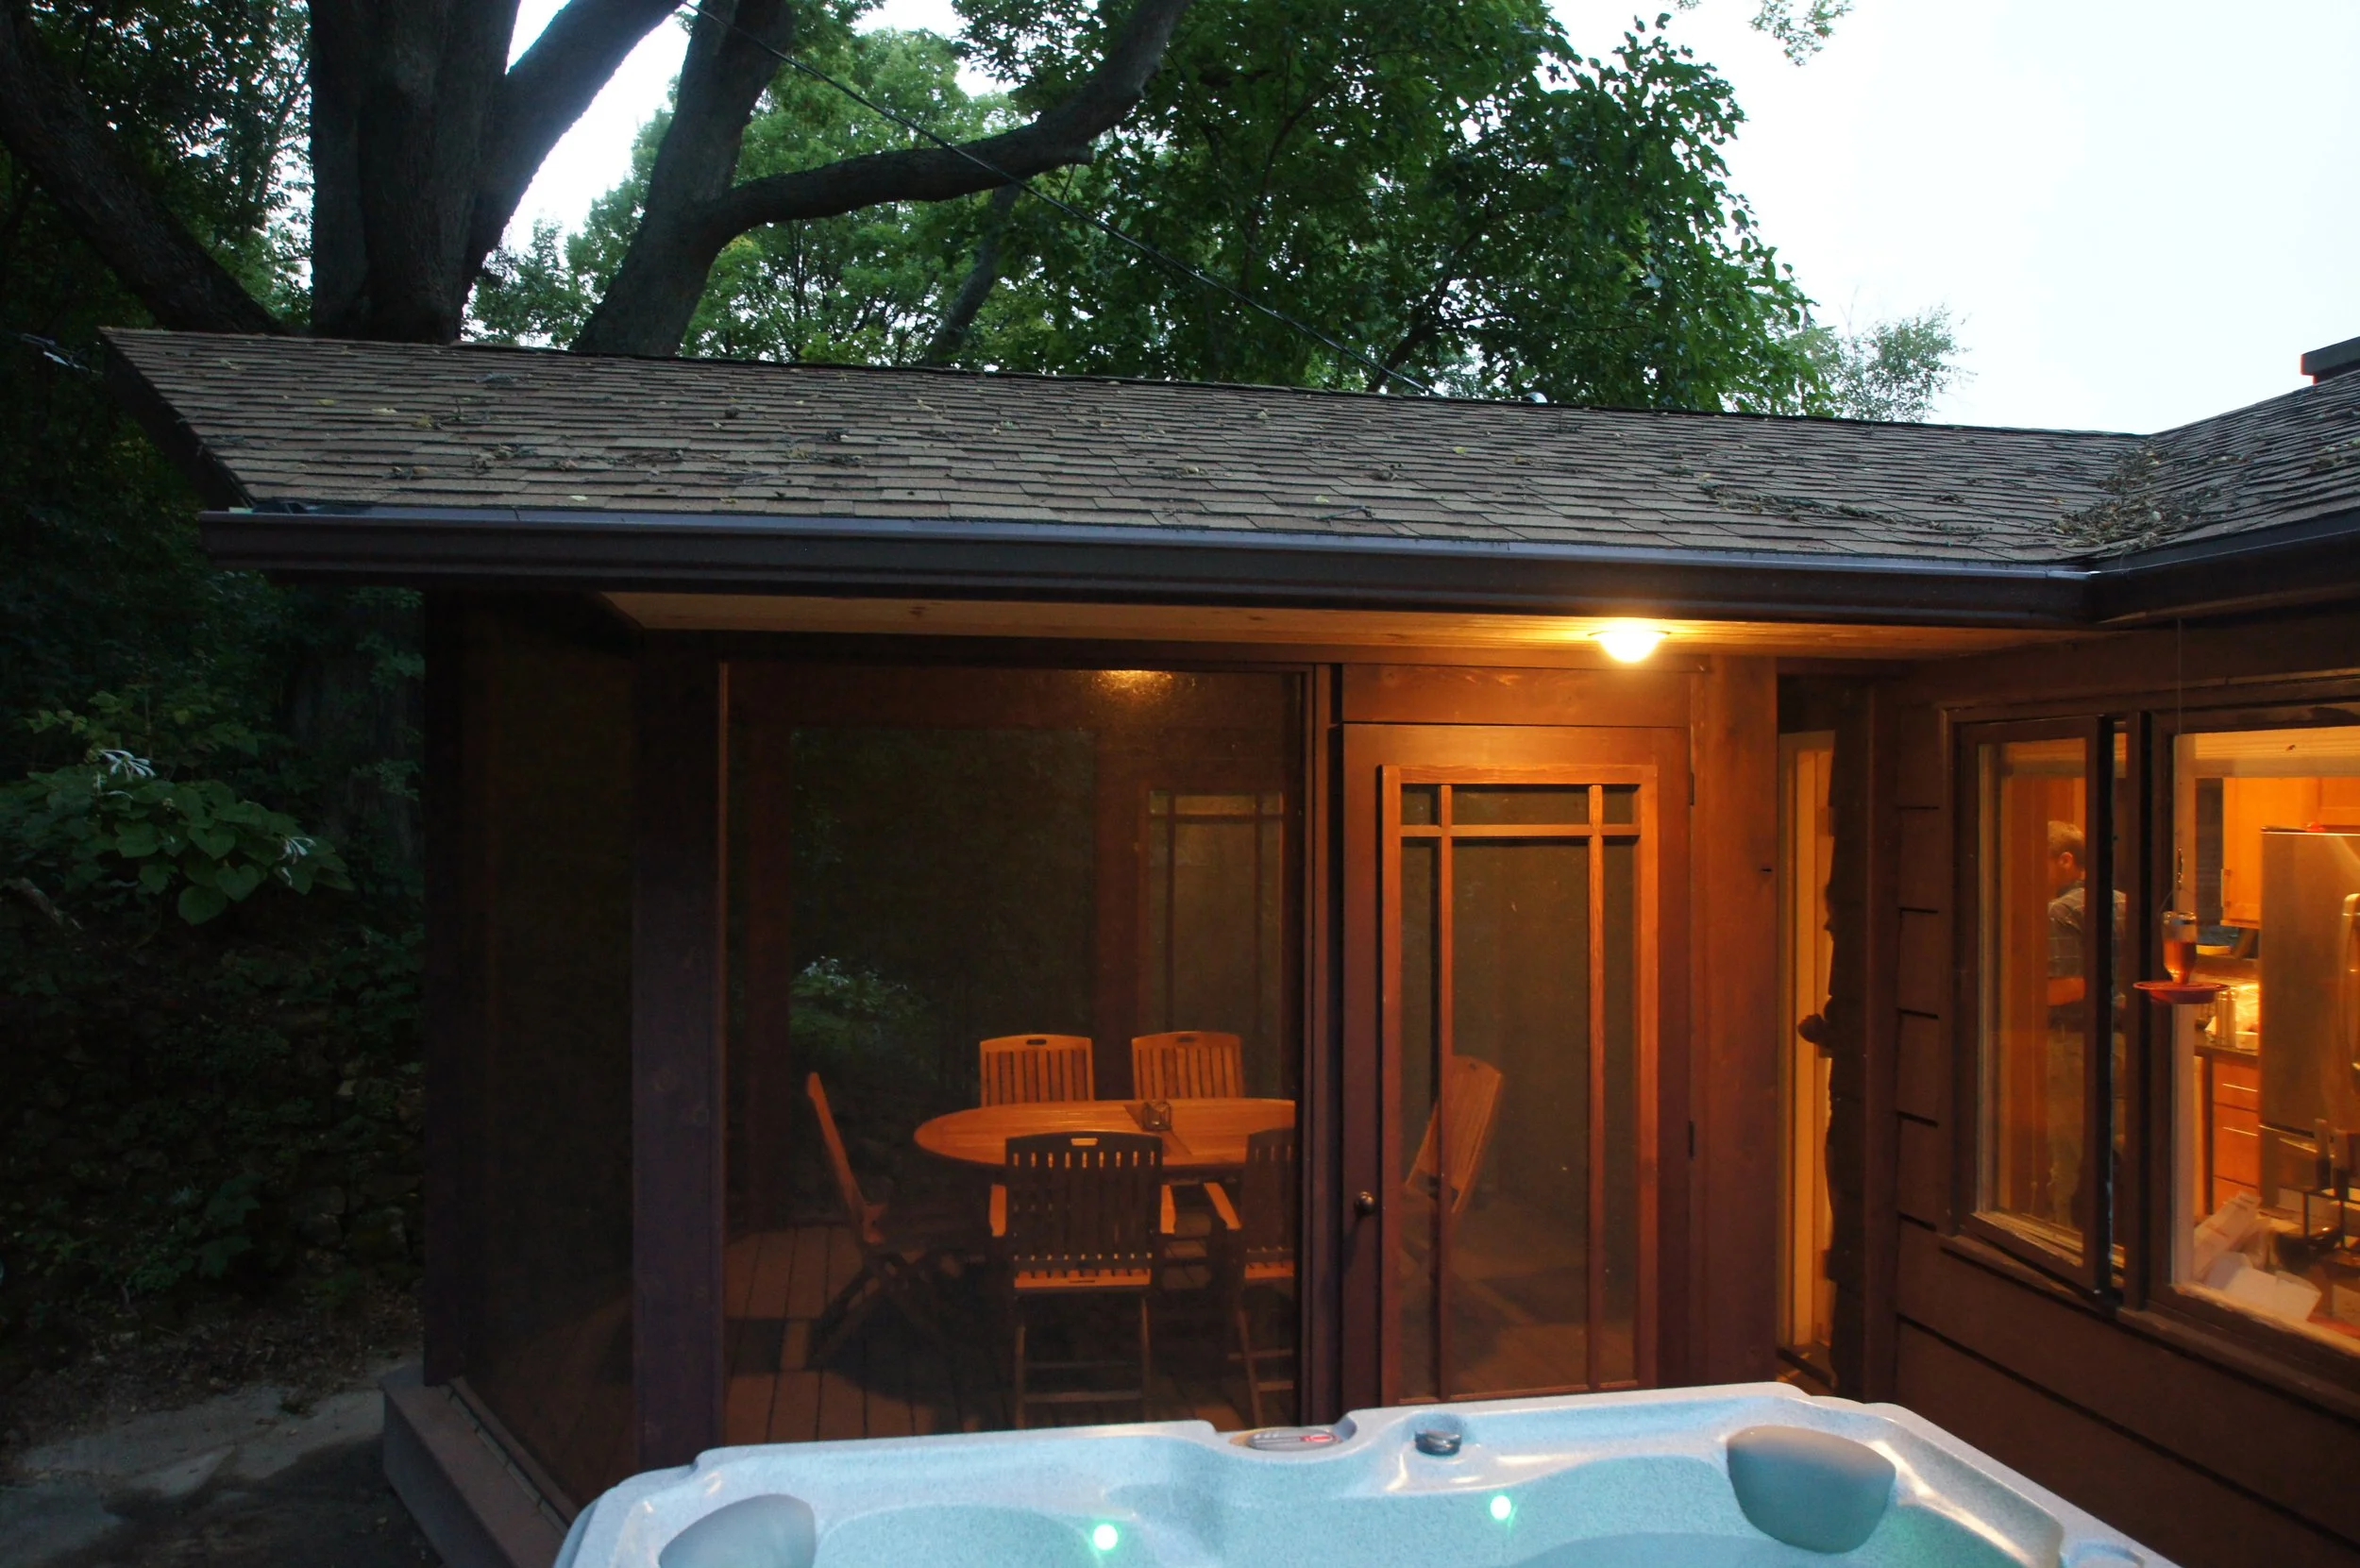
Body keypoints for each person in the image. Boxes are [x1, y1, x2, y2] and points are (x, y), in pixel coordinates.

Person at [2043, 820, 2125, 1234]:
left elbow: (2067, 987)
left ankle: (2066, 1241)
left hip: (2076, 1044)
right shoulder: (2122, 902)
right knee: (2120, 1147)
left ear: (2066, 860)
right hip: (2124, 1043)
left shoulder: (2061, 910)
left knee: (2071, 1151)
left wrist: (2013, 995)